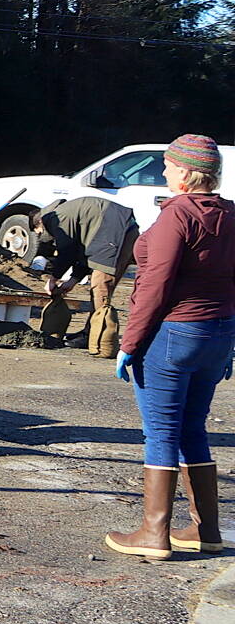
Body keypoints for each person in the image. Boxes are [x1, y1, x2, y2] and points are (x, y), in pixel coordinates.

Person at [105, 134, 235, 561]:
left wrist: (130, 342)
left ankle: (153, 533)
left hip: (175, 333)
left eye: (167, 165)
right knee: (193, 427)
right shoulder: (230, 214)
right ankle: (206, 530)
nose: (163, 172)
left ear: (183, 172)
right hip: (218, 332)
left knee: (160, 432)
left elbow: (154, 285)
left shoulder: (178, 215)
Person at [31, 195, 138, 359]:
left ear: (39, 224)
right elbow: (82, 251)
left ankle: (99, 340)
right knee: (101, 288)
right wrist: (73, 280)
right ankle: (90, 332)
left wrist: (53, 278)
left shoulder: (56, 218)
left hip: (114, 234)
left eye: (38, 232)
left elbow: (67, 250)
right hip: (122, 230)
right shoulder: (68, 213)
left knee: (100, 287)